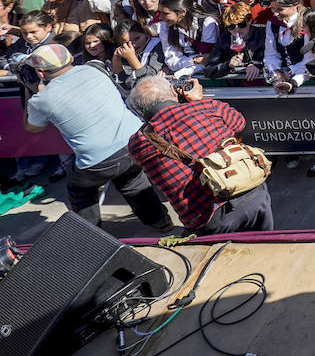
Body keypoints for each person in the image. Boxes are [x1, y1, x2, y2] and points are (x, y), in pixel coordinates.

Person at [22, 44, 172, 231]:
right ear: (70, 59)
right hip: (137, 141)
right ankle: (161, 221)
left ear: (41, 73)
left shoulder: (41, 100)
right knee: (132, 180)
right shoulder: (94, 69)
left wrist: (30, 91)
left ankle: (92, 236)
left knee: (80, 192)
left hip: (99, 160)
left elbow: (32, 127)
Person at [126, 75, 274, 234]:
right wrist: (197, 102)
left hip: (210, 218)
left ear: (139, 110)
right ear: (173, 91)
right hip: (252, 189)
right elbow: (239, 123)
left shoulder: (138, 144)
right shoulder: (208, 106)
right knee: (268, 249)